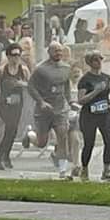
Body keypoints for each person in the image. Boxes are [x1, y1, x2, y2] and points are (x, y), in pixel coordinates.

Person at [23, 42, 74, 179]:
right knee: (42, 143)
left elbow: (66, 86)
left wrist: (70, 102)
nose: (58, 53)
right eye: (56, 51)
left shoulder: (66, 67)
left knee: (62, 137)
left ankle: (62, 171)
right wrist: (41, 102)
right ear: (49, 52)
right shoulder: (41, 69)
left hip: (60, 110)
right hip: (43, 111)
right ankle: (29, 135)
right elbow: (30, 87)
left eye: (60, 51)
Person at [76, 51, 110, 182]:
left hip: (104, 113)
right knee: (89, 143)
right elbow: (81, 100)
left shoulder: (106, 77)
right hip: (89, 114)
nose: (99, 63)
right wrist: (95, 91)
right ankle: (85, 168)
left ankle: (106, 170)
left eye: (100, 59)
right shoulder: (85, 80)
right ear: (90, 63)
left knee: (109, 141)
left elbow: (107, 93)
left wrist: (109, 99)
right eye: (95, 60)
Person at [0, 42, 28, 169]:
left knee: (13, 130)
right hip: (4, 103)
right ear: (8, 56)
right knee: (10, 127)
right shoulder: (2, 70)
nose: (16, 57)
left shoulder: (24, 70)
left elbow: (31, 85)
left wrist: (22, 84)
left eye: (18, 54)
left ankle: (5, 155)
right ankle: (0, 155)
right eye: (14, 55)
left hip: (18, 103)